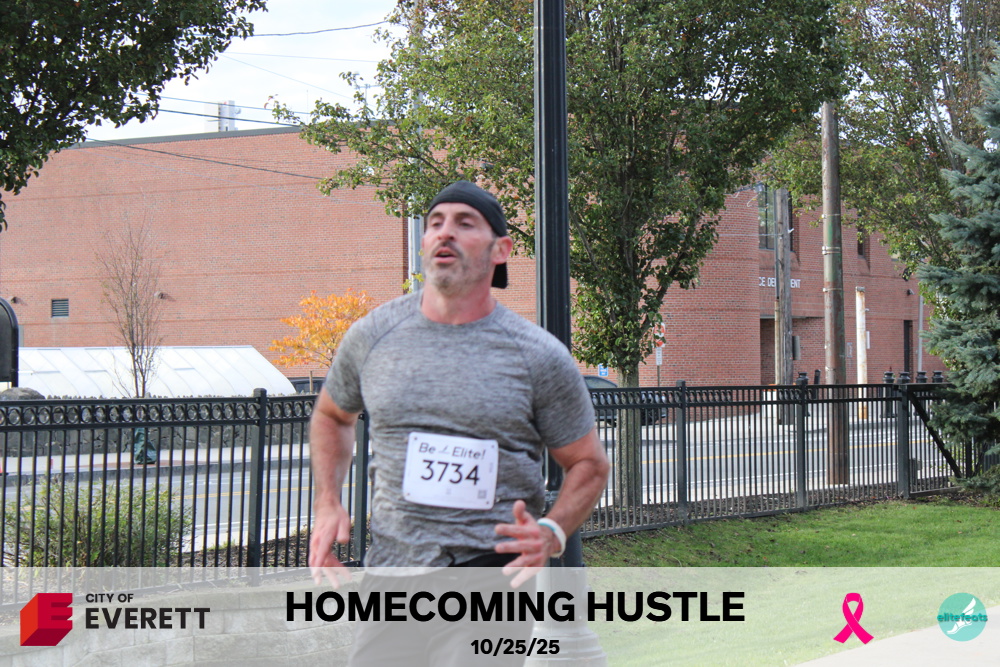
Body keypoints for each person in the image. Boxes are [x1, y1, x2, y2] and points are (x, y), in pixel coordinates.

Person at [307, 180, 610, 664]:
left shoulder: (537, 356)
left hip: (491, 577)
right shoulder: (374, 335)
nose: (444, 232)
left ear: (500, 250)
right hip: (392, 571)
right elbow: (331, 415)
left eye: (465, 223)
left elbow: (589, 463)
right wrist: (327, 503)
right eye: (435, 223)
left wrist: (553, 532)